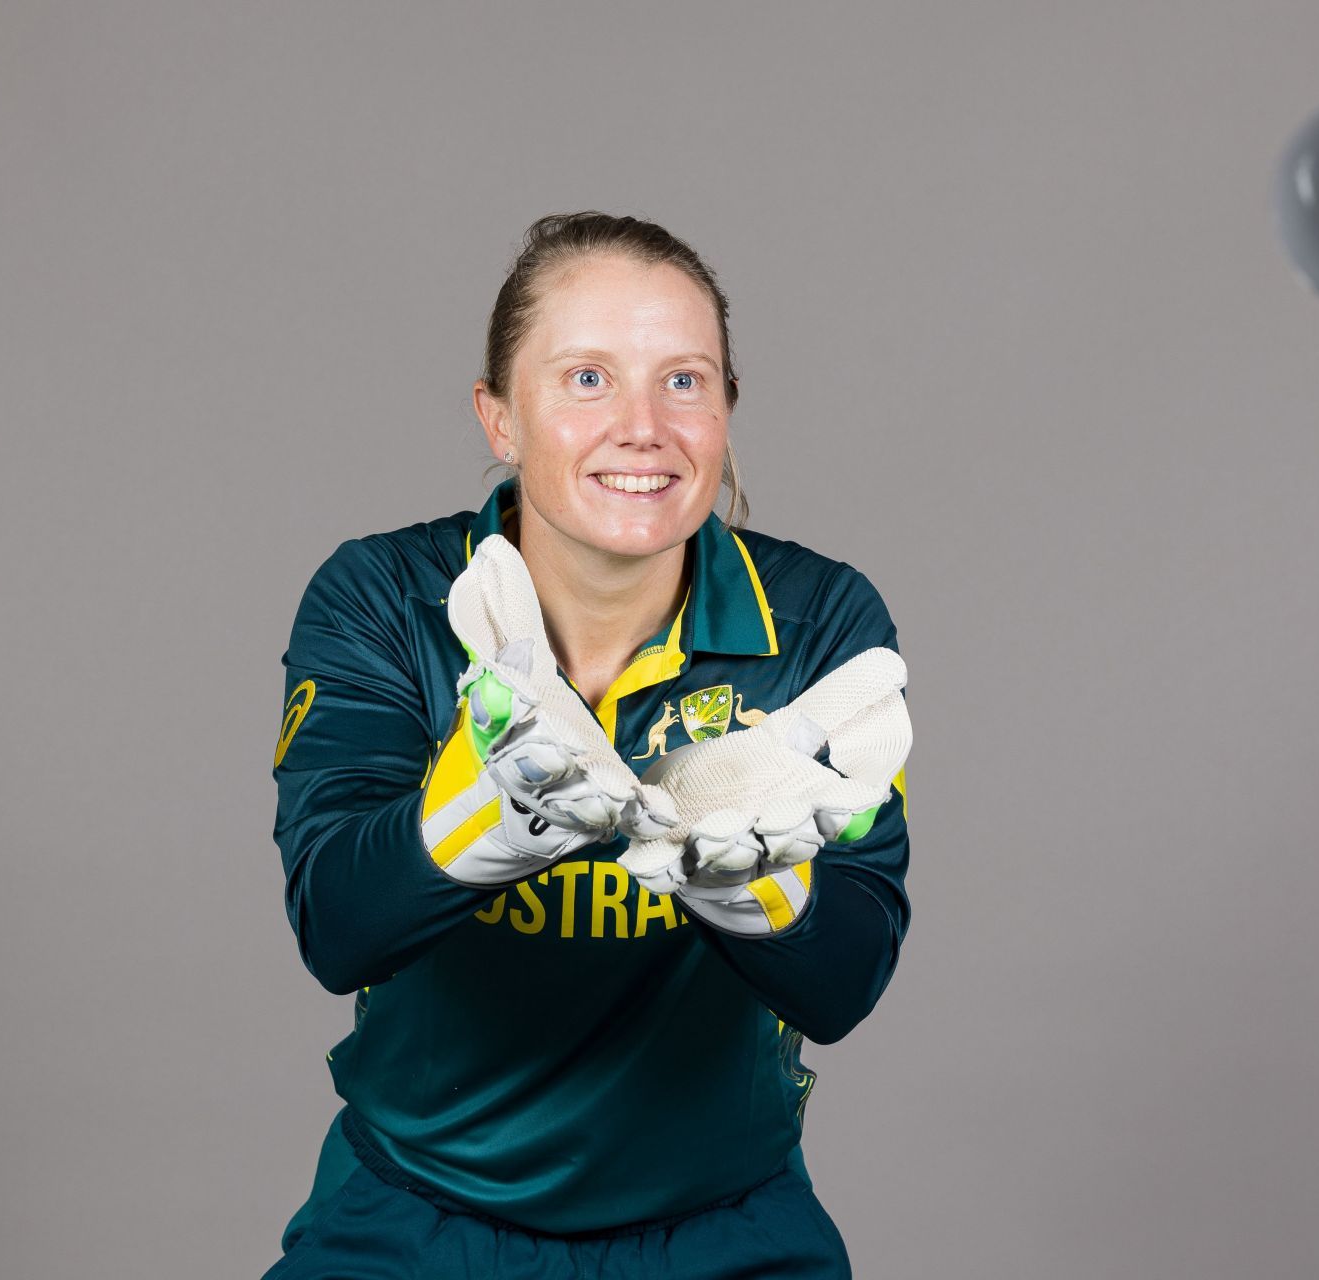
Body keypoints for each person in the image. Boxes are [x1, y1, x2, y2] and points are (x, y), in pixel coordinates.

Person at [266, 212, 911, 1278]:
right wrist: (477, 814)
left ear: (727, 411)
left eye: (685, 381)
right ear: (499, 418)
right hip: (415, 1221)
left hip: (725, 1227)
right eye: (585, 378)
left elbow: (843, 986)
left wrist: (765, 896)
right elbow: (335, 924)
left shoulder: (821, 620)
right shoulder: (383, 595)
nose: (644, 425)